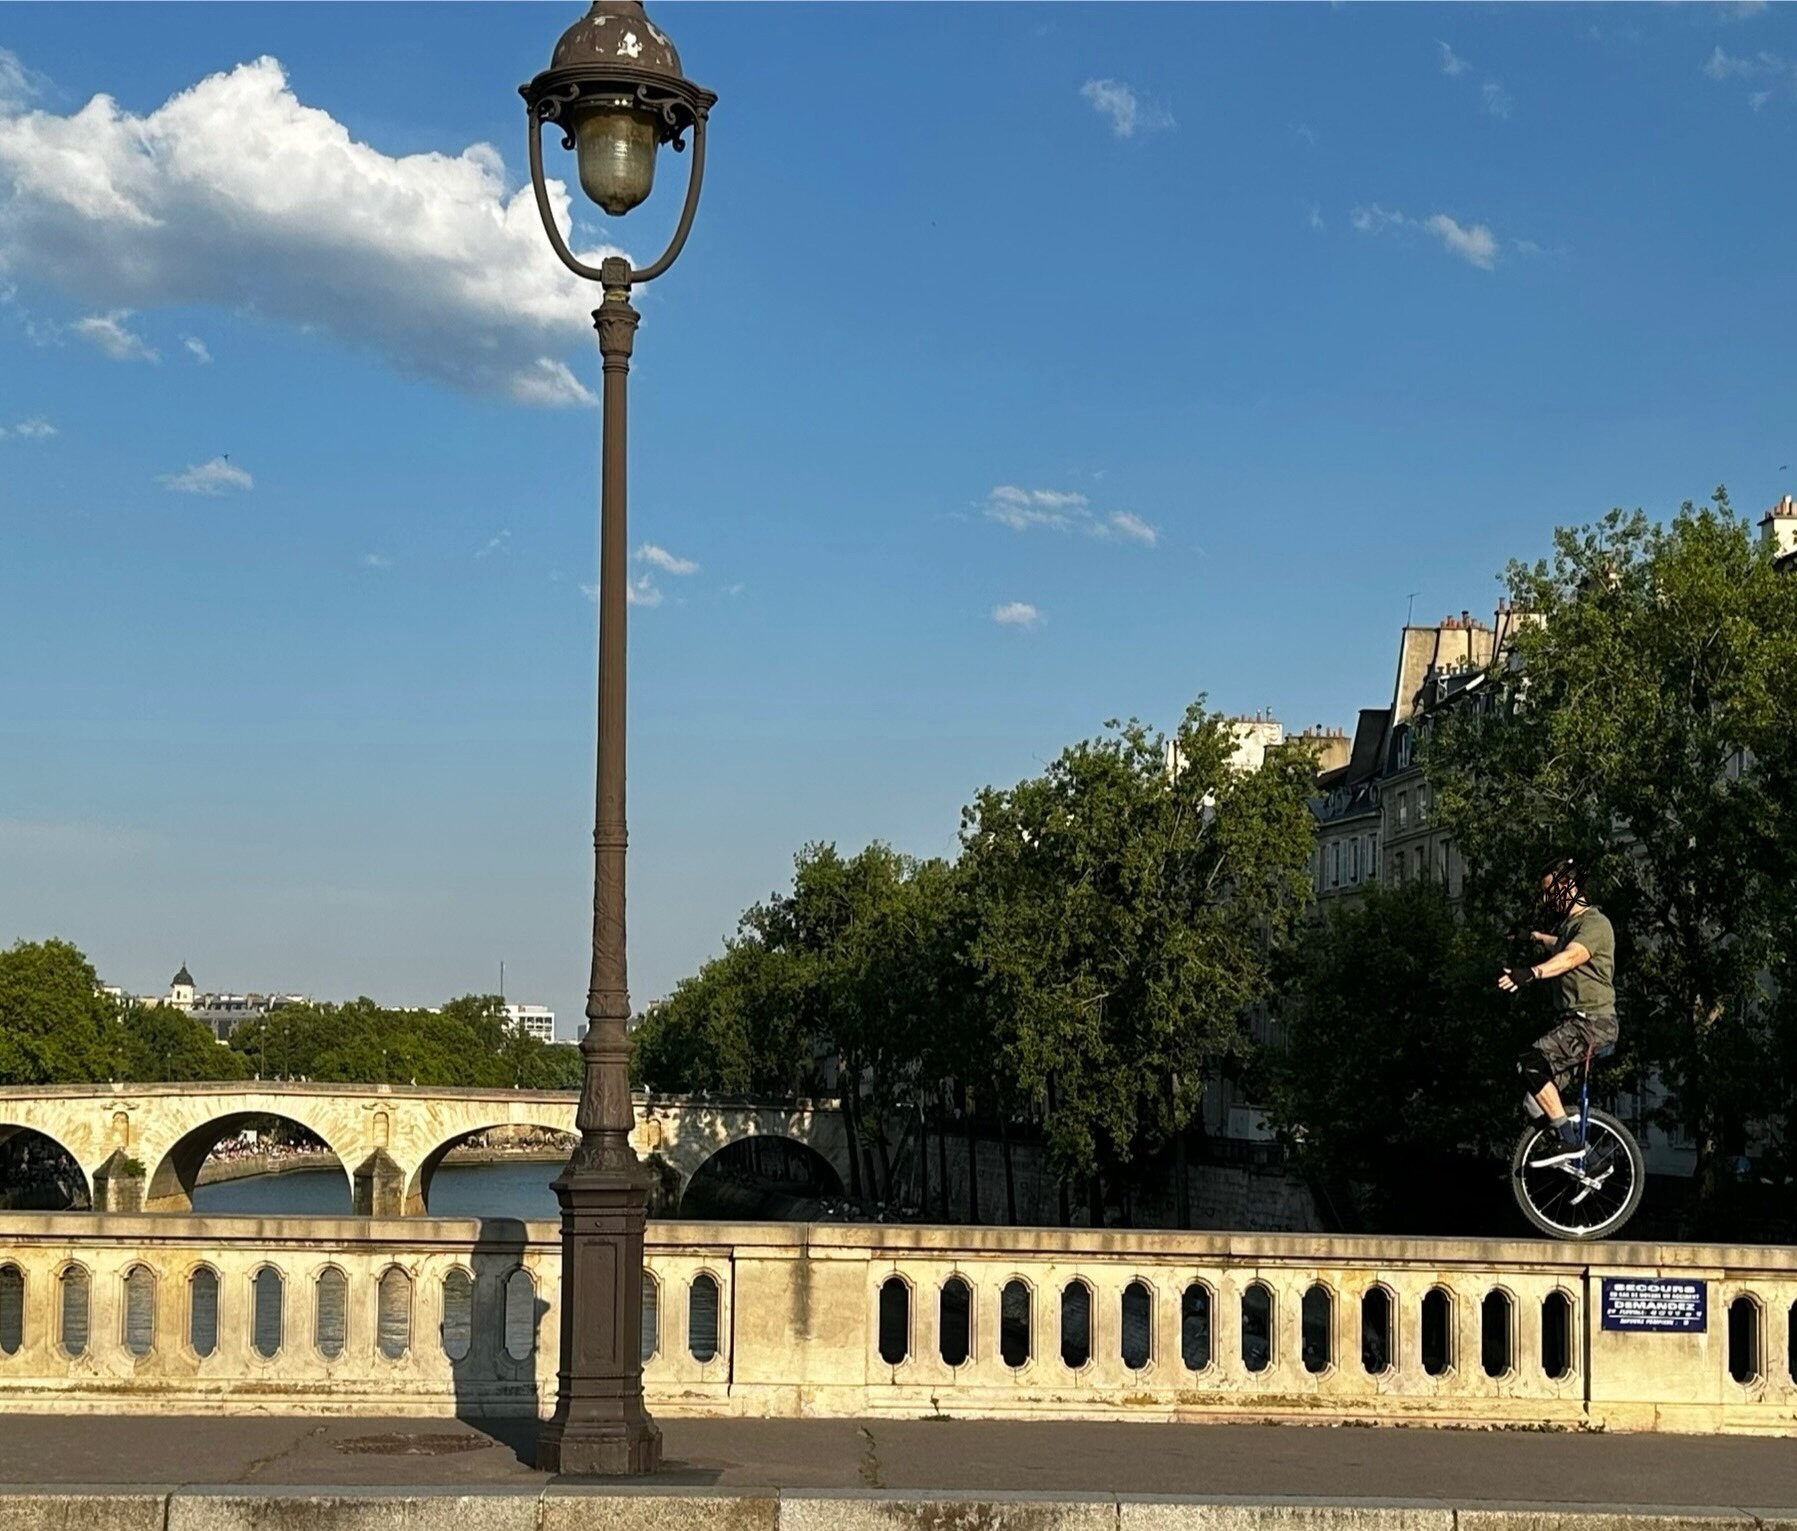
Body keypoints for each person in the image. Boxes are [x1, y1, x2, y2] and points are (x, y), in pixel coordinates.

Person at [1498, 856, 1618, 1149]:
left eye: (1549, 891)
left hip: (1592, 1023)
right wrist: (1534, 937)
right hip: (1575, 1023)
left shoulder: (1595, 923)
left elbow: (1571, 956)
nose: (1546, 899)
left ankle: (1570, 1143)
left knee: (1530, 1064)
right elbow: (1560, 943)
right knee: (1535, 1103)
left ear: (1567, 886)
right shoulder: (1571, 926)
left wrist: (1532, 972)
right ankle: (1586, 1161)